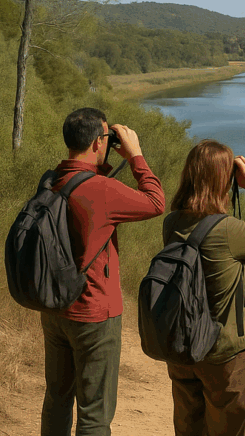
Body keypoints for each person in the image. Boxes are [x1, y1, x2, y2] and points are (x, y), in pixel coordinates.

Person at [42, 107, 166, 436]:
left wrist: (106, 157)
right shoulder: (102, 191)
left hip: (53, 309)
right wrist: (136, 155)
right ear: (99, 142)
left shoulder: (54, 180)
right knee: (95, 412)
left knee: (57, 399)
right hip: (94, 314)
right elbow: (156, 201)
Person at [162, 139, 245, 436]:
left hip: (183, 349)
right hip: (227, 354)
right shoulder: (229, 230)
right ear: (225, 180)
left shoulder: (171, 224)